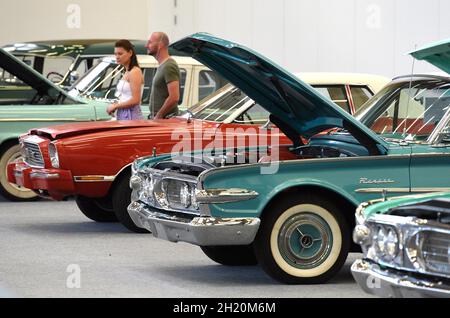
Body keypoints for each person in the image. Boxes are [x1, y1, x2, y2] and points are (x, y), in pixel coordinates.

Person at [146, 32, 180, 119]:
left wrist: (159, 116)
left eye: (150, 42)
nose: (146, 45)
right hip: (160, 119)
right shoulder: (163, 65)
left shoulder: (169, 65)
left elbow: (174, 97)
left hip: (166, 120)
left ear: (160, 45)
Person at [107, 40, 144, 120]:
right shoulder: (127, 71)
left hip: (132, 115)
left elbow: (136, 100)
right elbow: (126, 97)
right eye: (115, 54)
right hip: (124, 113)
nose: (117, 56)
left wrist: (115, 106)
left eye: (120, 54)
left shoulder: (135, 71)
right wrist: (116, 105)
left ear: (130, 53)